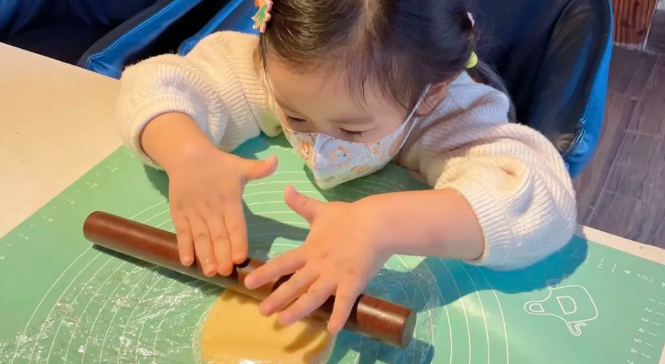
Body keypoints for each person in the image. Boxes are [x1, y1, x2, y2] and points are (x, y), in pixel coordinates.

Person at [117, 0, 576, 335]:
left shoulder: (450, 112)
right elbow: (153, 83)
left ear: (429, 94)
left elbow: (542, 203)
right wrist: (187, 153)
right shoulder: (275, 69)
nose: (317, 143)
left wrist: (382, 224)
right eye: (295, 116)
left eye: (353, 130)